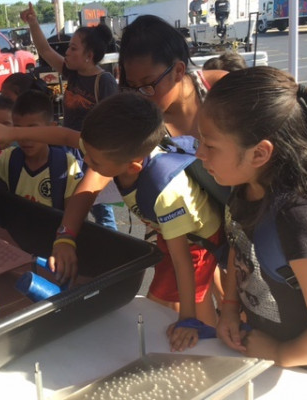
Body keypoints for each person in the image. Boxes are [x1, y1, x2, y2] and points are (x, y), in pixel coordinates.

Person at [197, 66, 307, 387]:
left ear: (260, 153)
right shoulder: (246, 184)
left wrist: (280, 352)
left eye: (210, 146)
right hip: (269, 360)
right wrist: (228, 306)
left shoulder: (301, 217)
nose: (199, 154)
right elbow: (239, 244)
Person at [50, 93, 223, 352]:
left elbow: (182, 260)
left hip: (195, 243)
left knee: (168, 305)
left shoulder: (166, 192)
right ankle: (212, 334)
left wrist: (187, 319)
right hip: (172, 233)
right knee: (190, 302)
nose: (87, 162)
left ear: (132, 168)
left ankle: (214, 350)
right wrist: (11, 133)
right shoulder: (109, 148)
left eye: (94, 162)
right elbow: (63, 136)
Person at [20, 2, 119, 230]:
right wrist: (33, 23)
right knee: (71, 206)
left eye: (73, 48)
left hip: (91, 154)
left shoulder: (104, 81)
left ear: (89, 55)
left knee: (101, 209)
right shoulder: (71, 73)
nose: (67, 52)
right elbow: (45, 51)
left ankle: (116, 256)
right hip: (68, 152)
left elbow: (113, 124)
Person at [119, 15, 227, 139]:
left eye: (148, 84)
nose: (140, 96)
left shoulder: (221, 89)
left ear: (178, 71)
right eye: (132, 86)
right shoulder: (138, 121)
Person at [0, 90, 82, 210]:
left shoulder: (67, 164)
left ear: (51, 128)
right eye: (18, 130)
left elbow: (73, 215)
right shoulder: (8, 157)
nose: (25, 139)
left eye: (32, 132)